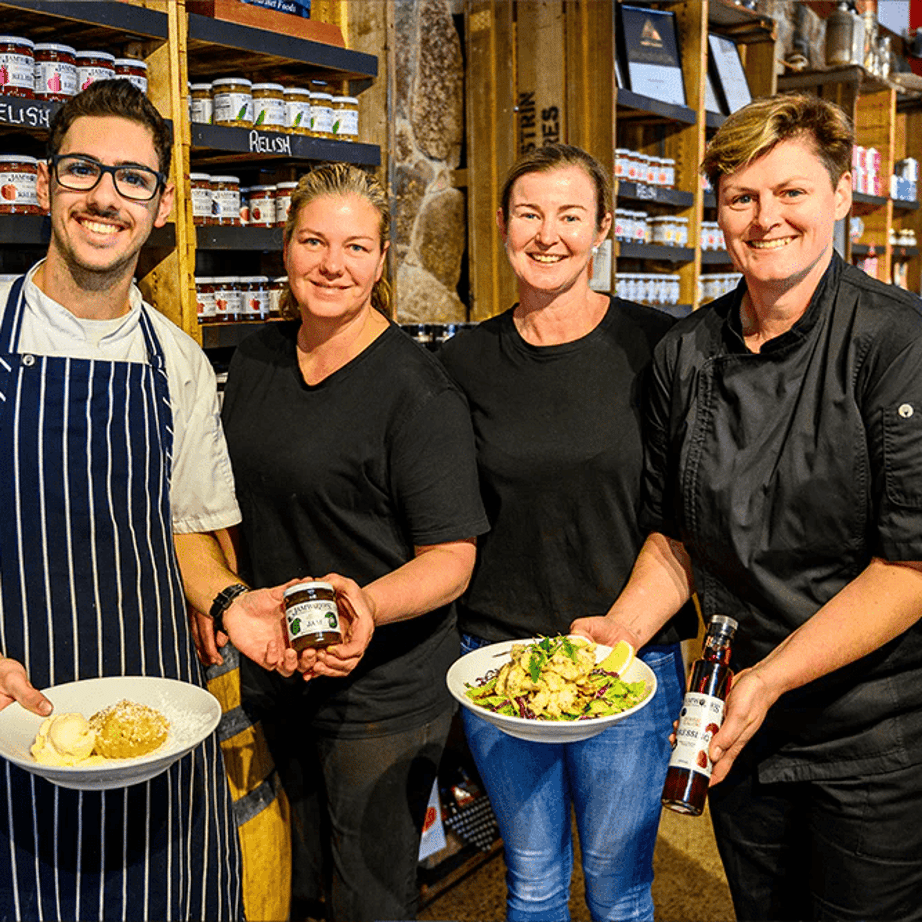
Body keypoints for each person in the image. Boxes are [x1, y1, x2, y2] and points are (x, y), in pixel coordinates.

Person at [575, 93, 922, 921]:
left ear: (841, 196)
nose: (766, 218)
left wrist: (768, 679)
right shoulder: (686, 352)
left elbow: (909, 565)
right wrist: (620, 632)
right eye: (742, 197)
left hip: (872, 733)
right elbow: (675, 538)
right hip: (738, 716)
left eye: (792, 192)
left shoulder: (895, 341)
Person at [0, 79, 298, 921]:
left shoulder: (181, 363)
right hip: (12, 702)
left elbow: (188, 532)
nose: (106, 196)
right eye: (83, 169)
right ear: (46, 183)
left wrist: (236, 606)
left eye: (132, 178)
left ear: (162, 205)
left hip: (157, 710)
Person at [218, 161, 489, 922]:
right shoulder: (256, 360)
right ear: (286, 246)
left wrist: (361, 606)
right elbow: (239, 506)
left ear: (380, 259)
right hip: (278, 667)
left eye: (356, 247)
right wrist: (228, 603)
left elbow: (452, 558)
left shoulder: (417, 389)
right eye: (314, 241)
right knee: (295, 880)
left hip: (382, 690)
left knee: (371, 896)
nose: (332, 264)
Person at [439, 143, 697, 922]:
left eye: (570, 215)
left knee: (620, 891)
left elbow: (688, 511)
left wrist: (629, 630)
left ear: (604, 229)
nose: (547, 234)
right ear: (500, 224)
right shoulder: (463, 360)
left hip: (628, 664)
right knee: (535, 883)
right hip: (500, 663)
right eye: (529, 214)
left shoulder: (660, 347)